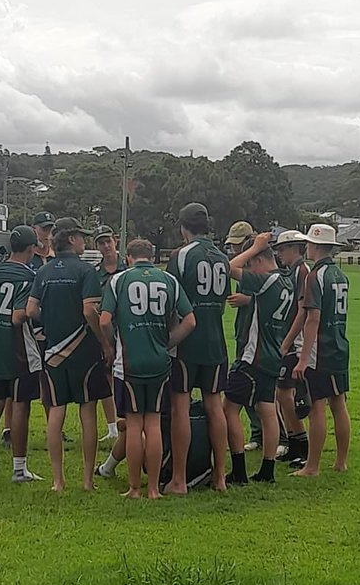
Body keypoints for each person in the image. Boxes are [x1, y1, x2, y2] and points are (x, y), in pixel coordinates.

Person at [99, 238, 196, 498]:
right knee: (153, 423)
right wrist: (169, 342)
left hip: (129, 363)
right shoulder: (169, 281)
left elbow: (105, 319)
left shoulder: (118, 280)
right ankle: (153, 488)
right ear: (152, 257)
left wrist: (111, 342)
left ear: (128, 257)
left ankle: (134, 488)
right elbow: (190, 320)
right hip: (159, 361)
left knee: (133, 424)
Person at [26, 216, 112, 492]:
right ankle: (87, 481)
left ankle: (57, 481)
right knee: (88, 412)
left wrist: (50, 322)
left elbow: (30, 310)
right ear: (72, 239)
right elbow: (90, 311)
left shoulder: (44, 271)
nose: (85, 242)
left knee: (56, 412)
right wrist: (104, 342)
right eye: (82, 237)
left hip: (52, 352)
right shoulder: (86, 271)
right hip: (84, 351)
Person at [165, 202, 231, 494]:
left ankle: (179, 479)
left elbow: (170, 303)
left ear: (183, 227)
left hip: (186, 343)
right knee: (215, 406)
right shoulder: (223, 257)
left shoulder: (180, 256)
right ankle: (219, 477)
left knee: (180, 407)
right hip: (216, 340)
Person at [223, 233, 295, 484]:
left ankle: (239, 470)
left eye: (251, 262)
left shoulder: (266, 280)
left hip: (253, 357)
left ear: (258, 261)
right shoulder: (286, 281)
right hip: (273, 355)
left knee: (228, 409)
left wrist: (253, 248)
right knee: (266, 409)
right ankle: (267, 470)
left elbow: (228, 268)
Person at [0, 226, 44, 482]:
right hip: (20, 351)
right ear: (31, 248)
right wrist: (37, 313)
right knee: (20, 407)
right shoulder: (28, 276)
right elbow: (18, 317)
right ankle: (19, 468)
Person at [291, 223, 351, 477]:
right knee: (339, 404)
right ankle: (340, 461)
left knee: (317, 406)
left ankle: (312, 466)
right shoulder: (341, 276)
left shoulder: (315, 277)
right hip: (340, 346)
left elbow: (312, 318)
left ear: (314, 245)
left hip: (322, 351)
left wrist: (303, 359)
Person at [223, 219, 262, 453]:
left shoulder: (259, 268)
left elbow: (277, 294)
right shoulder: (244, 268)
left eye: (239, 245)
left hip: (258, 338)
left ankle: (279, 436)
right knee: (245, 390)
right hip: (243, 332)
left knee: (260, 390)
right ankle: (257, 434)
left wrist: (247, 300)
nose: (235, 250)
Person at [275, 229, 312, 464]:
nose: (279, 254)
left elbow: (302, 310)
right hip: (289, 340)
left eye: (282, 249)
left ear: (293, 249)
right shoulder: (292, 271)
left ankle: (301, 443)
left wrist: (287, 342)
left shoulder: (301, 271)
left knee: (286, 394)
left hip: (295, 344)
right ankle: (294, 440)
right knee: (282, 394)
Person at [93, 225, 126, 442]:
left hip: (127, 331)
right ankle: (112, 426)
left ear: (115, 240)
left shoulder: (127, 267)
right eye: (101, 242)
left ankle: (126, 422)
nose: (106, 246)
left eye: (108, 241)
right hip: (104, 331)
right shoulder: (96, 274)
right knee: (105, 378)